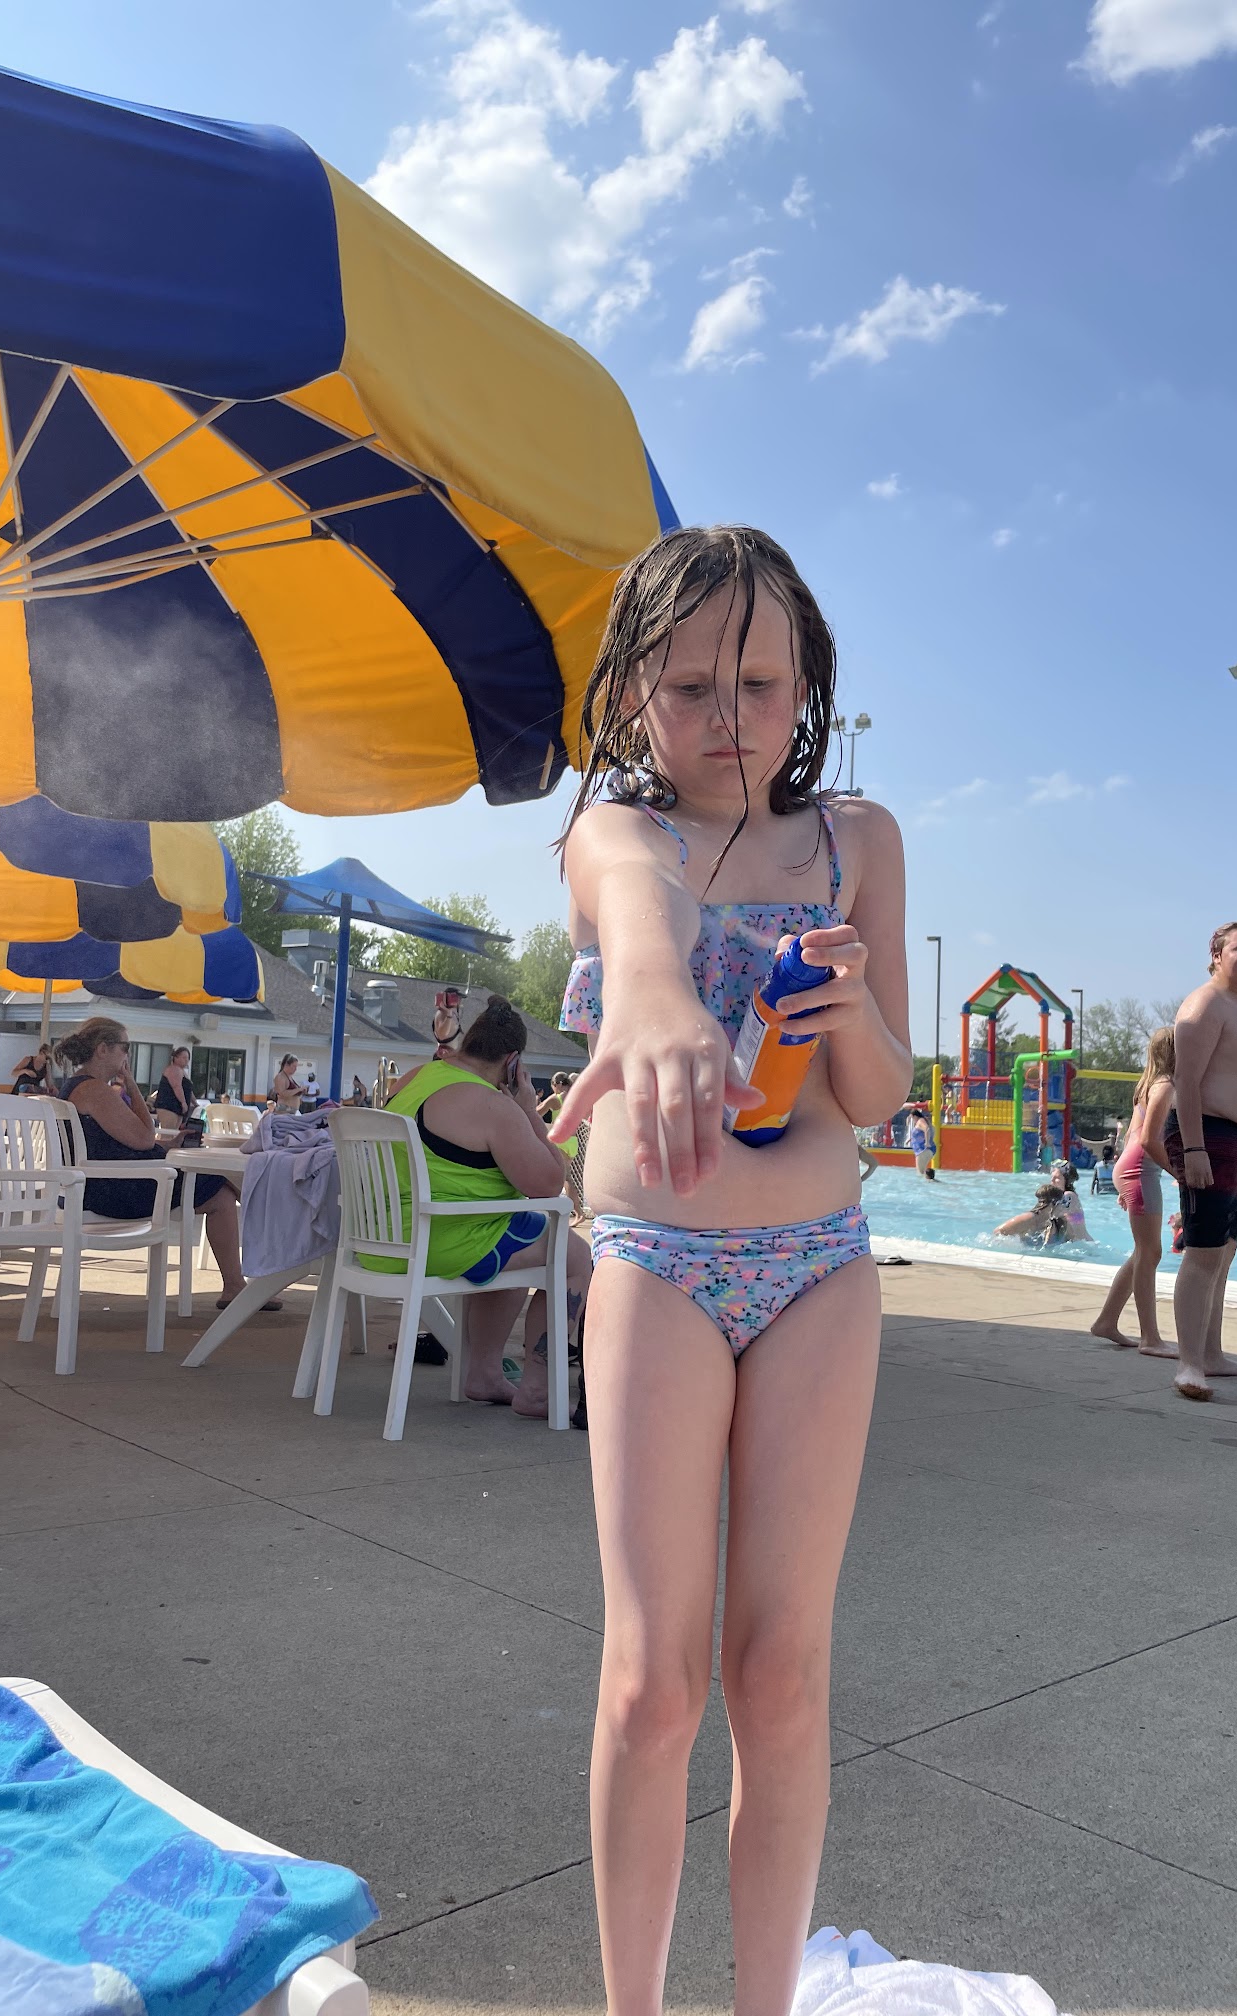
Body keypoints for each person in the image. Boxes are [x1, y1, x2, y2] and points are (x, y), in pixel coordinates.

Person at [549, 525, 911, 2015]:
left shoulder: (858, 840)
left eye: (758, 685)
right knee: (652, 1685)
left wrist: (844, 1016)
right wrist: (655, 998)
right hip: (655, 1259)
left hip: (818, 1267)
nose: (727, 718)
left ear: (806, 686)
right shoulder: (613, 833)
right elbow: (638, 925)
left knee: (781, 1674)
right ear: (632, 693)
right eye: (688, 686)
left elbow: (880, 1097)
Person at [373, 995, 591, 1417]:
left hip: (384, 1236)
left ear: (469, 1042)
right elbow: (549, 1184)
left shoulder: (416, 1077)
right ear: (512, 1062)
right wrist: (528, 1111)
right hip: (441, 1240)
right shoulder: (492, 1106)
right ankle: (538, 1391)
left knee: (520, 1238)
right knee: (575, 1256)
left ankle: (485, 1374)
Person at [55, 1018, 264, 1309]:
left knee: (224, 1184)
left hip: (94, 1186)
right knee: (220, 1189)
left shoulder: (77, 1086)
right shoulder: (94, 1090)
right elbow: (143, 1138)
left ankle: (244, 1280)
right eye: (125, 1047)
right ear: (103, 1050)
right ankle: (248, 1278)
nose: (127, 1055)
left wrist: (165, 1145)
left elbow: (117, 1141)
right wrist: (131, 1085)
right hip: (111, 1191)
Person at [1163, 922, 1237, 1401]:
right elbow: (1186, 1081)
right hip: (1209, 1133)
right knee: (1204, 1252)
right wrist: (1194, 1149)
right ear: (1215, 955)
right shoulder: (1205, 1004)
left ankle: (1211, 1353)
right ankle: (1189, 1363)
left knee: (1223, 1254)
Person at [1091, 1027, 1177, 1356]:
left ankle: (1106, 1321)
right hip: (1140, 1171)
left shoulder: (1148, 1084)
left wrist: (1122, 1181)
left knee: (1145, 1251)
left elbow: (1130, 1136)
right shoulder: (1165, 1086)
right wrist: (1179, 1174)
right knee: (1150, 1252)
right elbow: (1148, 1141)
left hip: (1132, 1170)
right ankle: (1150, 1337)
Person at [995, 1182, 1067, 1245]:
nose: (1063, 1207)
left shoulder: (1057, 1223)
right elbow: (998, 1232)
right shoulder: (1029, 1218)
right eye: (1062, 1203)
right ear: (1052, 1204)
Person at [1048, 1161, 1092, 1240]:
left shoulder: (1069, 1196)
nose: (1052, 1180)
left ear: (1067, 1180)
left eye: (1057, 1178)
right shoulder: (1059, 1198)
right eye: (1052, 1177)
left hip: (1083, 1244)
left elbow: (1050, 1215)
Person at [154, 1045, 197, 1125]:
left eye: (188, 1058)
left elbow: (188, 1090)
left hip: (178, 1108)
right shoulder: (174, 1069)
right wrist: (183, 1102)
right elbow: (177, 1087)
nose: (186, 1060)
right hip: (169, 1106)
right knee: (169, 1130)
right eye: (184, 1057)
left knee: (175, 1130)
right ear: (176, 1058)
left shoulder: (183, 1072)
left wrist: (195, 1103)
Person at [907, 1102, 936, 1179]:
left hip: (922, 1150)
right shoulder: (922, 1121)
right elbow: (928, 1132)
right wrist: (910, 1139)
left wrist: (927, 1142)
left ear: (914, 1116)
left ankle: (931, 1184)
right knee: (923, 1173)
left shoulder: (920, 1121)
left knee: (920, 1173)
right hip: (925, 1150)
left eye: (912, 1118)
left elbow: (927, 1129)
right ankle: (931, 1180)